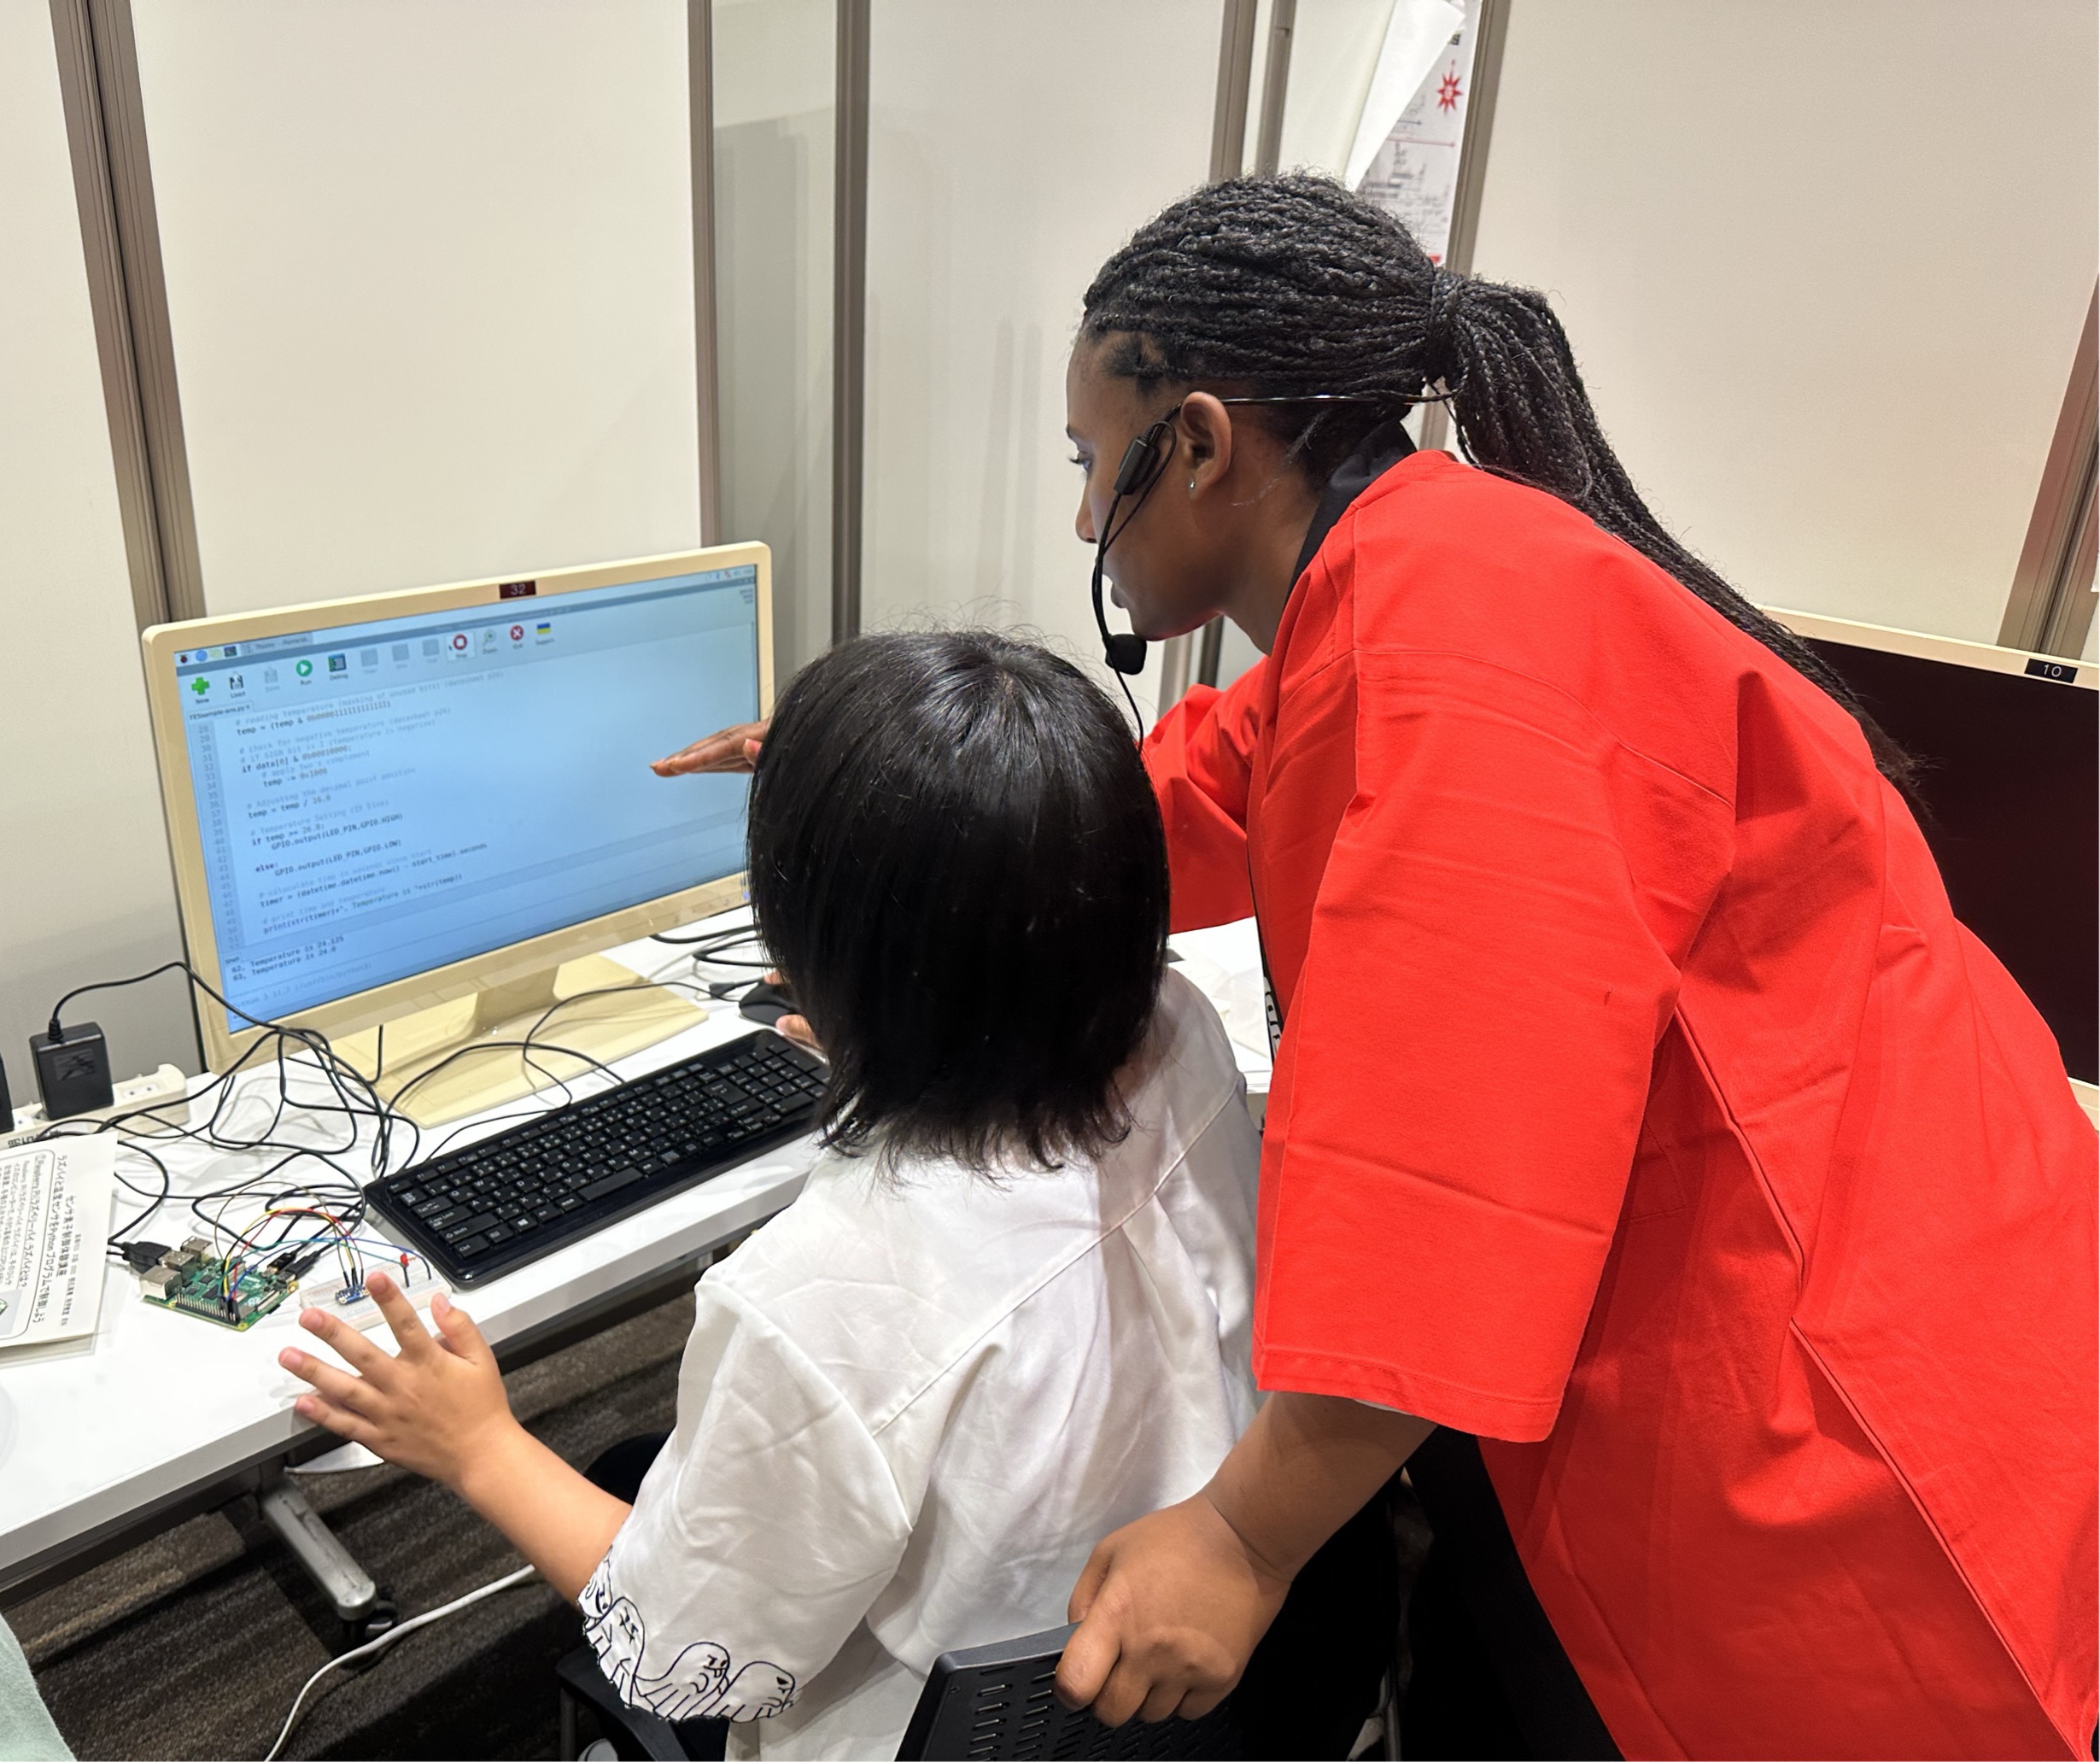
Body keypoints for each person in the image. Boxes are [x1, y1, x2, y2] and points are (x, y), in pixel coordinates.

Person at [656, 173, 2098, 1759]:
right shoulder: (1411, 582)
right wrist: (900, 794)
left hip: (1839, 1436)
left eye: (1090, 463)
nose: (1080, 522)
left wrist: (1244, 1536)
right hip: (1850, 1292)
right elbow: (1191, 792)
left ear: (1199, 443)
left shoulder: (1457, 644)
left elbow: (1456, 1170)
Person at [284, 631, 1266, 1759]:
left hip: (888, 1729)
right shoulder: (1184, 1034)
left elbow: (681, 1652)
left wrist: (474, 1444)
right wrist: (905, 1038)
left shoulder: (823, 1302)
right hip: (1137, 1667)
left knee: (609, 1479)